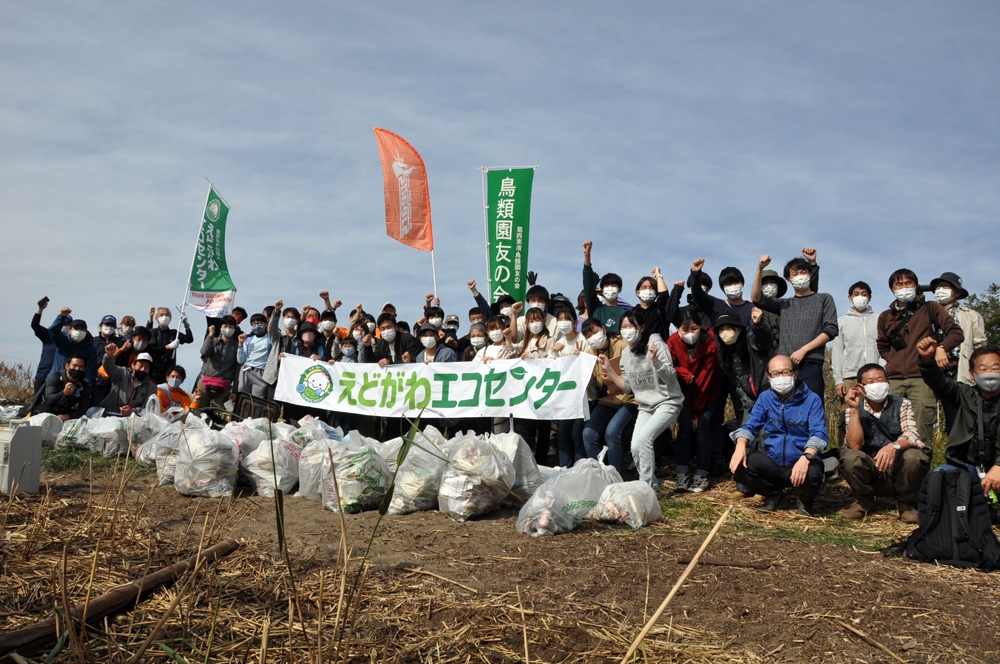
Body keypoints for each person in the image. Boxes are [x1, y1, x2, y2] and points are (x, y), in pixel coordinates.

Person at [729, 355, 829, 515]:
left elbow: (820, 434)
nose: (781, 377)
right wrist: (740, 445)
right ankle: (773, 494)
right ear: (769, 377)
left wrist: (806, 458)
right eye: (775, 373)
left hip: (800, 461)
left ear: (795, 373)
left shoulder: (812, 399)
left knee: (813, 472)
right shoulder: (765, 398)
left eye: (785, 372)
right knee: (741, 464)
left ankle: (805, 502)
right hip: (773, 462)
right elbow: (751, 425)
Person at [599, 310, 683, 494]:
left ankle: (645, 491)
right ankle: (652, 487)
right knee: (635, 446)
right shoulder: (626, 355)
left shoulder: (657, 346)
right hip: (646, 405)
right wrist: (609, 371)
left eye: (631, 326)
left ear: (641, 328)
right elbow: (628, 387)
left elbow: (670, 378)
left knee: (645, 440)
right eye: (624, 327)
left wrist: (655, 361)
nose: (628, 330)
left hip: (668, 402)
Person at [876, 268, 963, 447]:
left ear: (916, 286)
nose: (904, 287)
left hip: (923, 378)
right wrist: (893, 360)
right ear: (892, 288)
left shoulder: (931, 308)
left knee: (921, 432)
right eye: (899, 284)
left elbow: (956, 333)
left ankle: (921, 471)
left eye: (909, 283)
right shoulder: (885, 316)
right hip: (894, 380)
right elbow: (882, 345)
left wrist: (941, 348)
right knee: (890, 430)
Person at [839, 363, 928, 522]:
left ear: (887, 383)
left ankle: (906, 504)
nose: (877, 385)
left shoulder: (902, 403)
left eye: (880, 380)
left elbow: (913, 434)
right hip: (870, 471)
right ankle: (864, 502)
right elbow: (854, 445)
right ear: (860, 387)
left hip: (896, 470)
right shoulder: (853, 409)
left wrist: (894, 446)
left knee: (915, 456)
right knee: (850, 457)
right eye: (871, 382)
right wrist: (853, 410)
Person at [919, 339, 1000, 505]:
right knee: (942, 475)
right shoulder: (964, 394)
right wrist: (927, 361)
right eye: (983, 369)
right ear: (972, 374)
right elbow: (939, 384)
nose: (989, 374)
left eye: (995, 368)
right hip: (972, 469)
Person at [751, 249, 838, 400]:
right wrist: (760, 268)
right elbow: (756, 298)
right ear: (789, 280)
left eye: (803, 272)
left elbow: (831, 329)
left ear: (810, 274)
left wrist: (804, 350)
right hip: (785, 367)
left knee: (813, 407)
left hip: (812, 362)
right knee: (785, 406)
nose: (799, 277)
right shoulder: (784, 304)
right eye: (795, 274)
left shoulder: (824, 299)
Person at [668, 309, 724, 493]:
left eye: (694, 328)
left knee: (702, 428)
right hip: (682, 393)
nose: (690, 333)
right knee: (684, 427)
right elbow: (668, 368)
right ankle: (682, 472)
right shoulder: (672, 342)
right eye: (685, 329)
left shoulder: (710, 345)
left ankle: (701, 474)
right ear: (677, 329)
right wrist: (685, 374)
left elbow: (704, 380)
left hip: (708, 393)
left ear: (701, 327)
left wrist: (698, 413)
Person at [928, 271, 988, 432]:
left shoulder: (972, 316)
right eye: (938, 287)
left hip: (959, 370)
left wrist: (978, 371)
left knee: (960, 417)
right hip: (934, 370)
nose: (941, 290)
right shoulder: (927, 314)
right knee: (927, 414)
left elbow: (980, 346)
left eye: (945, 286)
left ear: (957, 292)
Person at [581, 318, 637, 475]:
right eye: (587, 335)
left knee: (612, 432)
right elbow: (586, 382)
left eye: (594, 331)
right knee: (588, 434)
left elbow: (632, 375)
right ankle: (601, 474)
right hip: (606, 401)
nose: (592, 336)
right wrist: (578, 364)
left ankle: (616, 476)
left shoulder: (623, 345)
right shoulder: (589, 354)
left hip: (628, 400)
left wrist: (612, 379)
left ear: (604, 329)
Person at [831, 281, 883, 443]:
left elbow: (883, 348)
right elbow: (838, 351)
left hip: (873, 378)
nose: (860, 297)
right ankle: (843, 455)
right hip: (850, 377)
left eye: (864, 294)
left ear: (870, 297)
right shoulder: (842, 322)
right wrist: (839, 380)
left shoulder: (879, 320)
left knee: (874, 416)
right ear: (850, 298)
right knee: (846, 416)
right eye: (856, 294)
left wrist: (882, 371)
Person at [512, 306, 555, 465]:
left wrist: (534, 356)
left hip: (543, 391)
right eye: (530, 321)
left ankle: (542, 464)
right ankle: (526, 465)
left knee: (543, 430)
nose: (534, 323)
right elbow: (510, 350)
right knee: (524, 430)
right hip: (526, 393)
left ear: (544, 321)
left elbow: (552, 361)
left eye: (537, 319)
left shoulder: (550, 340)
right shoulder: (526, 341)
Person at [550, 306, 587, 466]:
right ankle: (565, 467)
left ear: (575, 322)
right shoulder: (559, 343)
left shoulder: (583, 340)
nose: (563, 323)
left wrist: (581, 357)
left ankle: (579, 466)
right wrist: (553, 352)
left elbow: (590, 365)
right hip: (565, 397)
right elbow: (551, 368)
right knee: (563, 434)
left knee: (576, 434)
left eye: (567, 319)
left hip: (582, 396)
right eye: (560, 319)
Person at [688, 260, 754, 325]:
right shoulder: (715, 305)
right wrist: (695, 274)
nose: (733, 286)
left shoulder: (752, 308)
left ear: (742, 284)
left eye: (736, 282)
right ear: (723, 288)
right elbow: (698, 295)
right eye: (728, 284)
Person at [582, 240, 626, 333]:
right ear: (601, 290)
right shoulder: (596, 309)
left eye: (613, 285)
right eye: (607, 285)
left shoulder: (625, 313)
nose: (610, 288)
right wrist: (587, 257)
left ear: (620, 290)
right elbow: (588, 283)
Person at [196, 317, 239, 409]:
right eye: (225, 326)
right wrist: (210, 335)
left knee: (219, 413)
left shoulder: (237, 346)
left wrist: (235, 391)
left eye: (231, 326)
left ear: (235, 328)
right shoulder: (213, 341)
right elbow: (204, 352)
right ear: (220, 327)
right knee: (199, 410)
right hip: (206, 380)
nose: (228, 328)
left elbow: (237, 369)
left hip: (224, 384)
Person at [34, 355, 94, 420]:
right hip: (47, 409)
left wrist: (68, 416)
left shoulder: (84, 386)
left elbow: (83, 409)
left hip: (65, 412)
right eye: (74, 365)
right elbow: (49, 399)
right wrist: (64, 393)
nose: (77, 369)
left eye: (81, 367)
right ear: (67, 366)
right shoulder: (55, 377)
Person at [100, 348, 158, 416]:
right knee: (91, 411)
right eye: (141, 365)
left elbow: (149, 409)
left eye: (147, 367)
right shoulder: (122, 373)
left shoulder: (151, 386)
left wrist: (133, 411)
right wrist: (108, 356)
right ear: (133, 365)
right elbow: (108, 366)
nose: (143, 369)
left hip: (133, 418)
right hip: (111, 412)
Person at [48, 309, 99, 386]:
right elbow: (52, 331)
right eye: (76, 329)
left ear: (86, 332)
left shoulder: (90, 348)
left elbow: (90, 373)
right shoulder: (62, 341)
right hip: (57, 381)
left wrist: (87, 390)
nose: (79, 331)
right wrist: (61, 317)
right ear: (69, 330)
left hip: (78, 385)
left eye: (82, 329)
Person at [147, 306, 194, 385]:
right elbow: (151, 349)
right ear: (157, 319)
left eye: (167, 315)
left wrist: (186, 324)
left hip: (169, 370)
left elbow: (189, 339)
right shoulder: (153, 332)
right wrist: (168, 347)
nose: (164, 317)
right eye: (161, 315)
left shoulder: (174, 333)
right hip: (155, 371)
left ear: (171, 318)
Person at [237, 313, 273, 398]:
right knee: (243, 398)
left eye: (259, 323)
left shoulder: (270, 340)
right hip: (246, 371)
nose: (256, 325)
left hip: (261, 372)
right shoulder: (248, 340)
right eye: (254, 324)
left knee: (257, 400)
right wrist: (240, 344)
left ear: (266, 324)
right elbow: (240, 360)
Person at [30, 297, 59, 394]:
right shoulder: (48, 335)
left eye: (68, 324)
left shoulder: (70, 341)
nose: (64, 326)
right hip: (42, 375)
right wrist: (40, 308)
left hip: (59, 377)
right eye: (62, 323)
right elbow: (35, 325)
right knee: (36, 404)